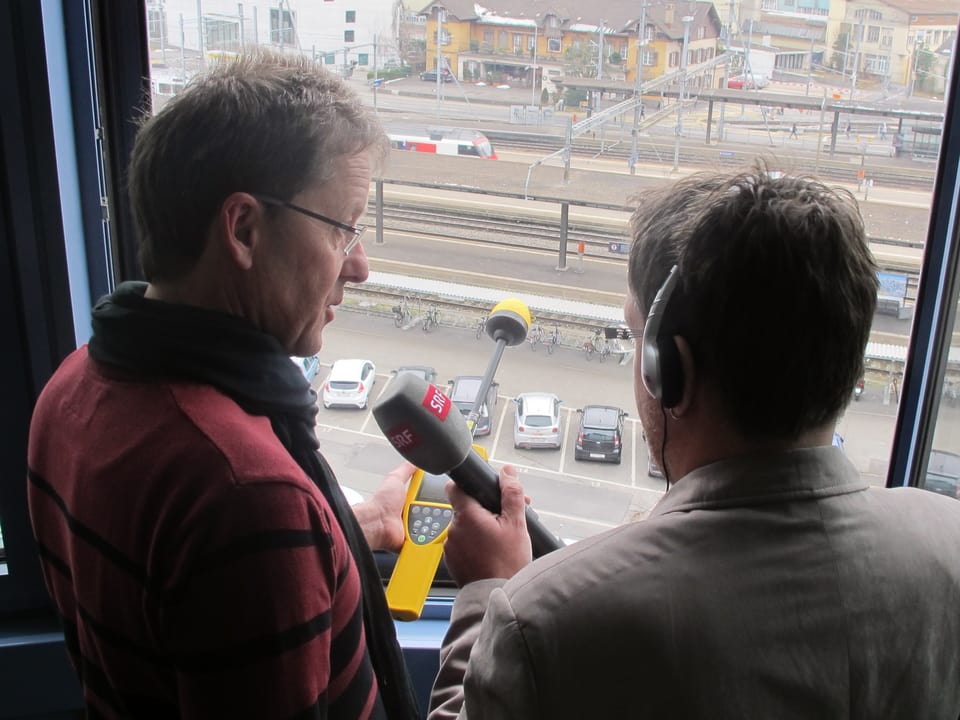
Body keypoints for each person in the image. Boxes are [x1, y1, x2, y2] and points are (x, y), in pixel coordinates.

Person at [428, 166, 960, 719]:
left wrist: (484, 592)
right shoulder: (950, 544)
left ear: (668, 371)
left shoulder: (544, 621)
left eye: (636, 335)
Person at [27, 51, 421, 719]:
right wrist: (492, 590)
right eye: (343, 228)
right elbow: (233, 533)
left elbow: (184, 597)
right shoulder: (245, 494)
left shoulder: (71, 390)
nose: (359, 267)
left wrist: (348, 529)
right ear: (242, 229)